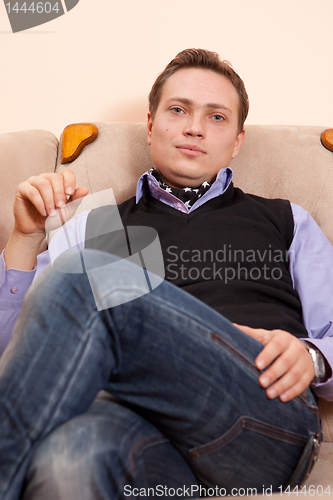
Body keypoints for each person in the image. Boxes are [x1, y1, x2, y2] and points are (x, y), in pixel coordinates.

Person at [0, 48, 333, 500]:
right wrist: (23, 239)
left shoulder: (285, 219)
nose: (195, 127)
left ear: (237, 141)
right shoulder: (96, 223)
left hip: (261, 415)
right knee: (68, 459)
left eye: (217, 117)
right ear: (152, 126)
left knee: (90, 275)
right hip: (138, 429)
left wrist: (310, 357)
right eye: (178, 110)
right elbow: (23, 363)